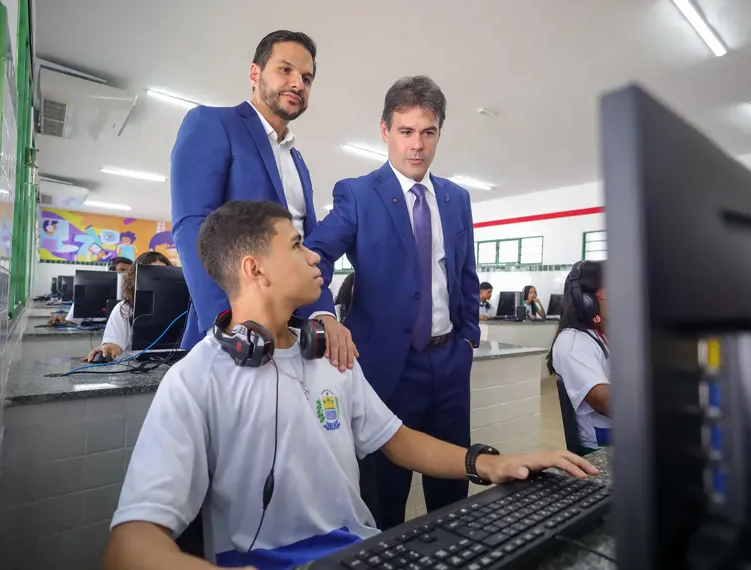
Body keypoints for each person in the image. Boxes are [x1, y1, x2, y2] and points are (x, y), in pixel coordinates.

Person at [103, 201, 598, 570]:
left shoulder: (329, 354)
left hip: (361, 551)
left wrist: (490, 463)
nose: (316, 258)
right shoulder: (194, 380)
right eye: (296, 246)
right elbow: (130, 546)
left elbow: (397, 440)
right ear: (254, 269)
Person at [301, 76, 480, 530]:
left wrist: (468, 340)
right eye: (405, 131)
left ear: (439, 132)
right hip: (385, 369)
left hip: (449, 365)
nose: (416, 145)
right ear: (385, 130)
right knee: (385, 498)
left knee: (452, 492)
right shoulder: (358, 194)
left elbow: (464, 275)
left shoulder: (457, 199)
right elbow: (313, 255)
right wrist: (324, 314)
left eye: (428, 132)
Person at [170, 29, 355, 369]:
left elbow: (307, 249)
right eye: (285, 70)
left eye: (307, 78)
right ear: (255, 73)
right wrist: (227, 322)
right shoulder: (212, 124)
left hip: (295, 338)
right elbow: (193, 226)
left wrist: (323, 310)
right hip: (236, 338)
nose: (298, 83)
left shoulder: (297, 162)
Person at [547, 261, 610, 455]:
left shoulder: (607, 334)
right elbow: (605, 402)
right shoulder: (573, 342)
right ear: (587, 299)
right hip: (602, 447)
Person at [84, 252, 172, 362]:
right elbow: (114, 345)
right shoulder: (125, 308)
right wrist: (109, 348)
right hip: (137, 368)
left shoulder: (186, 308)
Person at [47, 256, 133, 327]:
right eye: (122, 270)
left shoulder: (134, 295)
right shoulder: (89, 293)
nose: (126, 275)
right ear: (111, 270)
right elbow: (72, 323)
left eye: (130, 272)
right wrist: (61, 321)